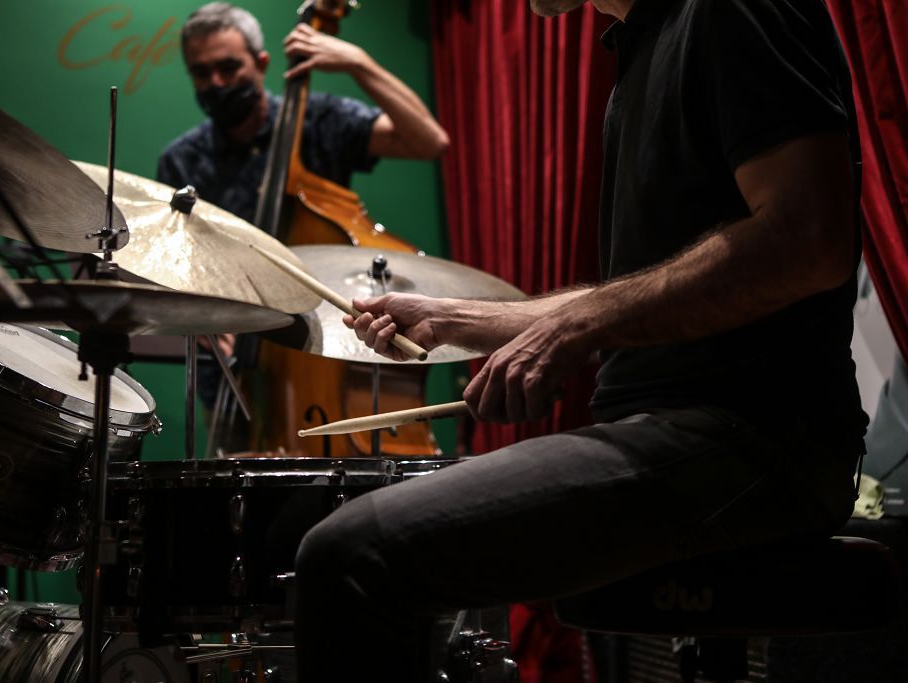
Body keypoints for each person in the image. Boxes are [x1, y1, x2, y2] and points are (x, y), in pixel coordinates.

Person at [294, 0, 868, 680]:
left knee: (352, 556)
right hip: (687, 433)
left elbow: (808, 238)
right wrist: (455, 318)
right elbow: (641, 287)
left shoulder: (730, 10)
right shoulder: (647, 41)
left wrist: (575, 325)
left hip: (757, 443)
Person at [156, 1, 449, 419]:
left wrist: (358, 63)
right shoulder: (181, 162)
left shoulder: (318, 120)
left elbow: (429, 142)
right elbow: (177, 268)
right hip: (235, 371)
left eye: (228, 67)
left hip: (325, 350)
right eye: (202, 73)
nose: (216, 82)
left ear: (260, 64)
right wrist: (202, 318)